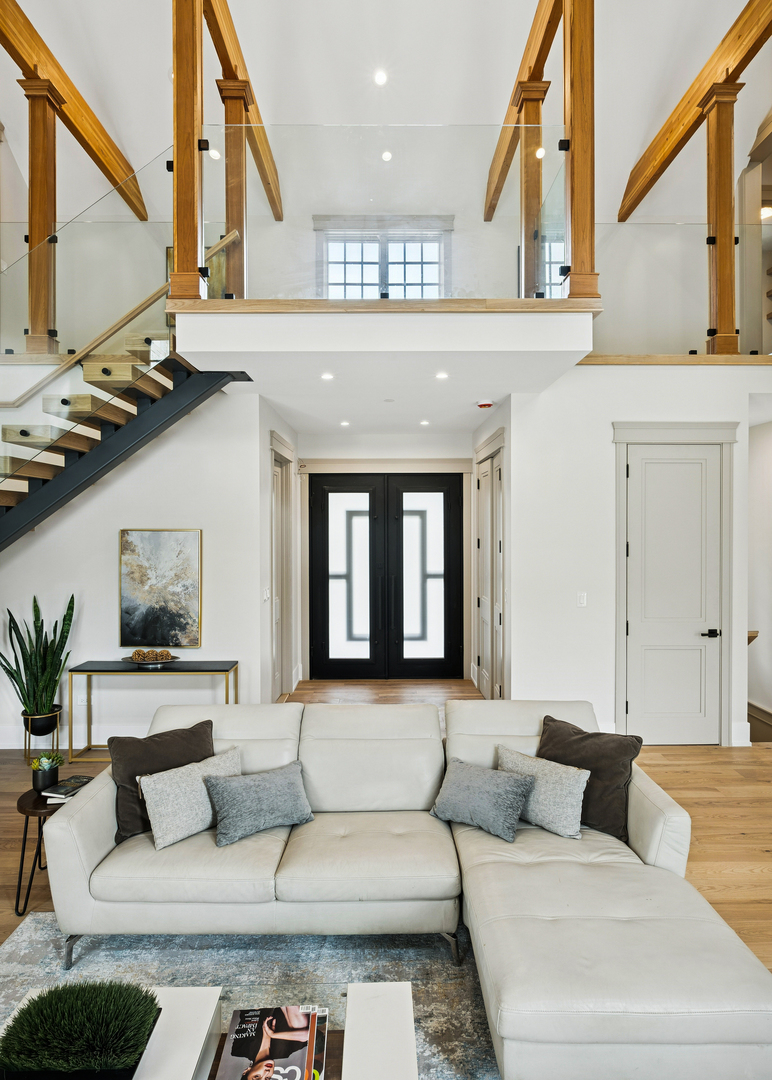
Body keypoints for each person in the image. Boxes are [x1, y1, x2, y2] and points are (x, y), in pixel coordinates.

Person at [235, 1007, 311, 1079]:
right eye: (267, 1078)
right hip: (288, 1004)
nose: (267, 1072)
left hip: (264, 1001)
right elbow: (309, 1035)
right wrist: (273, 1035)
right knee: (300, 1025)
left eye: (257, 1076)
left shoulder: (241, 1050)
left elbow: (247, 1014)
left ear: (246, 1071)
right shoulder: (285, 1052)